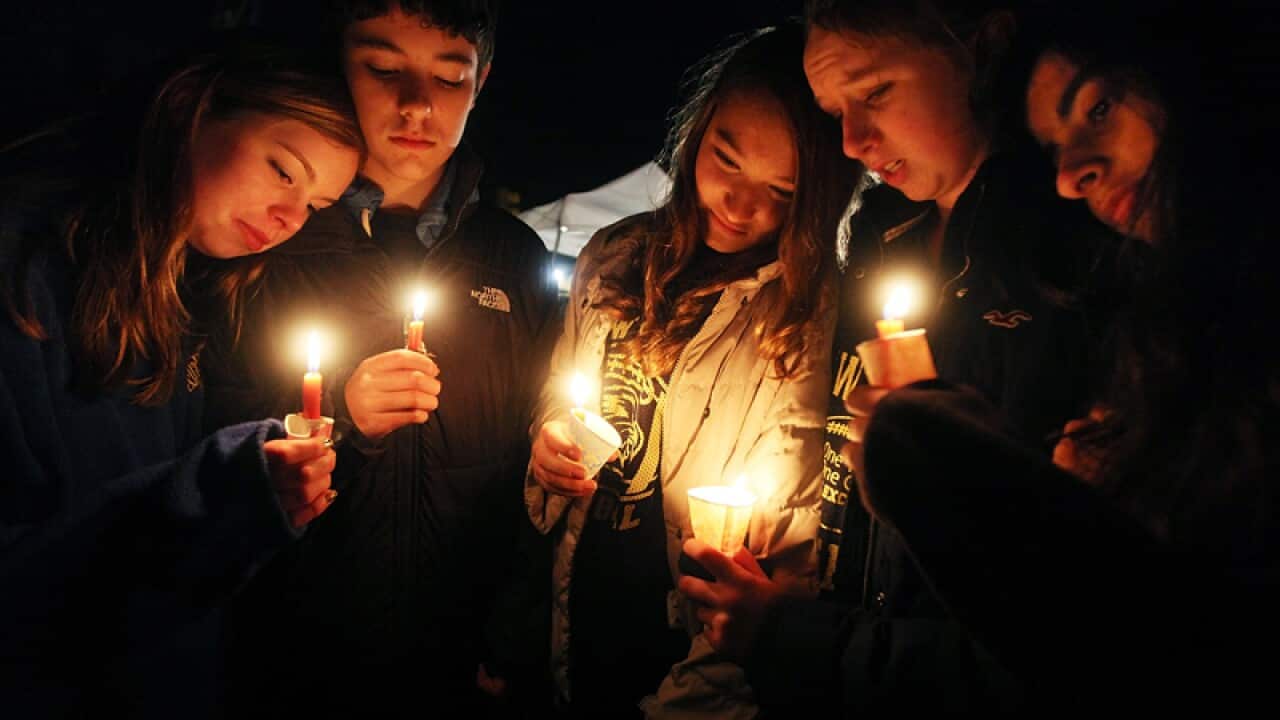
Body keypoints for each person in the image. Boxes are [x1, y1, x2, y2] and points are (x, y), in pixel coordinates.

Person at [678, 0, 1115, 713]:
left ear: (983, 43)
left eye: (875, 92)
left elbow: (1076, 628)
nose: (851, 140)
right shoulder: (880, 238)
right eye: (834, 110)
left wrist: (796, 638)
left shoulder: (1078, 259)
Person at [842, 1, 1279, 712]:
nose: (1071, 176)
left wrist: (953, 469)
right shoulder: (1178, 327)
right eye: (1053, 150)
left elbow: (1182, 646)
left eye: (1099, 109)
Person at [206, 1, 563, 715]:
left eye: (449, 78)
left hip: (461, 665)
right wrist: (337, 415)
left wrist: (514, 633)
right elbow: (199, 436)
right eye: (382, 68)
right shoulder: (268, 236)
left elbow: (533, 464)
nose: (416, 105)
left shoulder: (513, 258)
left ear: (482, 80)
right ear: (339, 60)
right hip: (291, 661)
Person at [0, 42, 362, 718]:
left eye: (316, 204)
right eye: (284, 170)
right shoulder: (23, 277)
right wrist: (221, 494)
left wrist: (251, 504)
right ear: (191, 109)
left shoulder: (181, 292)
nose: (290, 220)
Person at [524, 22, 857, 718]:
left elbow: (785, 549)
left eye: (782, 191)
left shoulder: (802, 315)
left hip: (687, 641)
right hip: (577, 606)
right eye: (725, 160)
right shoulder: (614, 258)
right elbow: (560, 393)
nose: (739, 205)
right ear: (695, 133)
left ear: (819, 198)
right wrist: (549, 444)